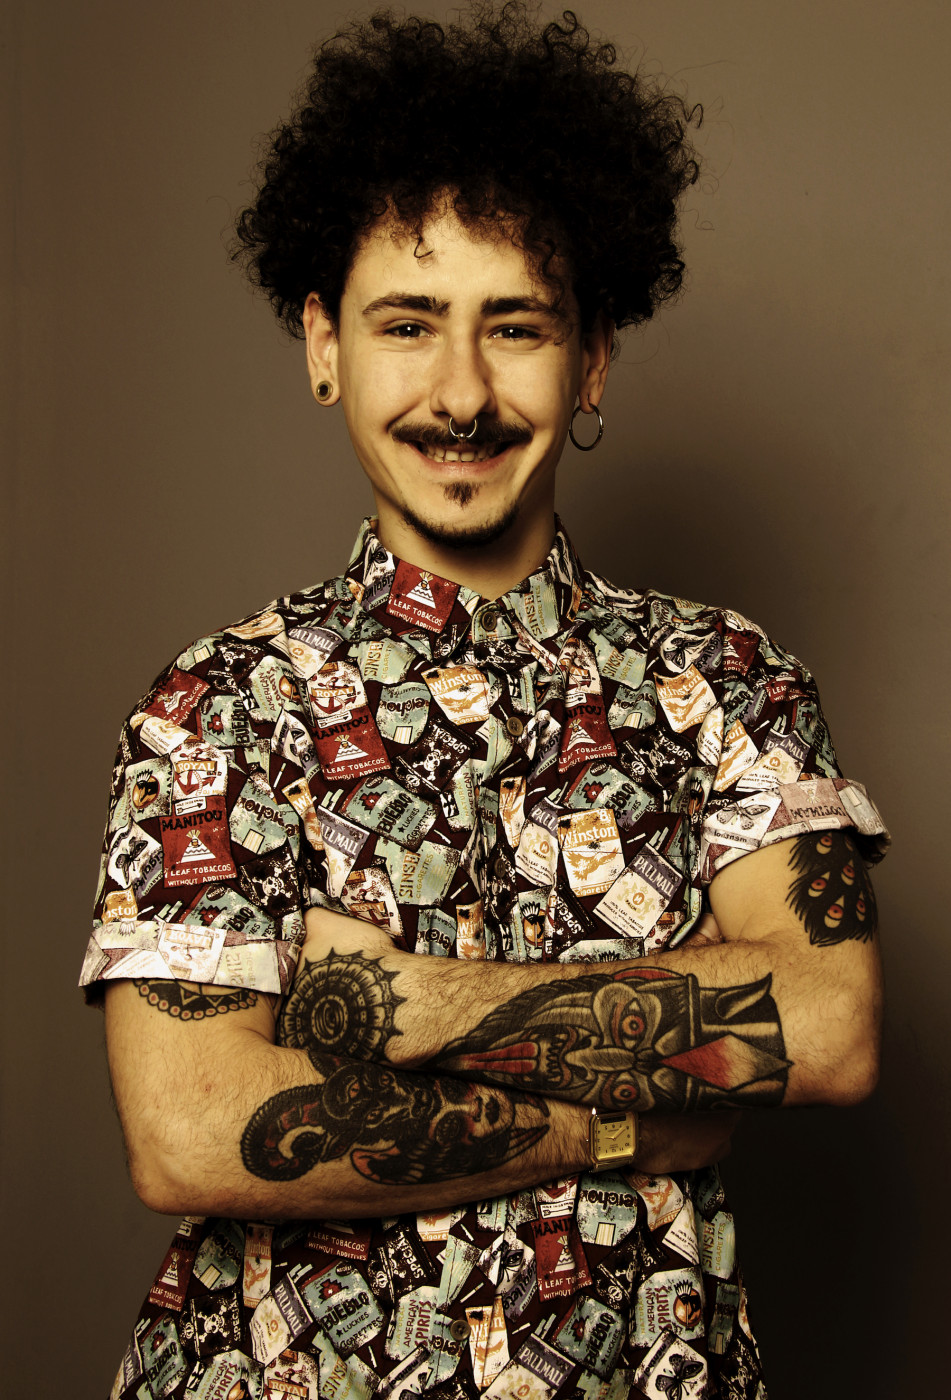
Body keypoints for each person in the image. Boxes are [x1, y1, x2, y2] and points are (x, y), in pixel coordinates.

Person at [82, 6, 888, 1397]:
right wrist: (613, 1125)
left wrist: (401, 1005)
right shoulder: (216, 708)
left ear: (593, 358)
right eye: (408, 325)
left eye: (514, 327)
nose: (461, 393)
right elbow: (192, 1128)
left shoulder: (728, 681)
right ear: (323, 344)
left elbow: (828, 1025)